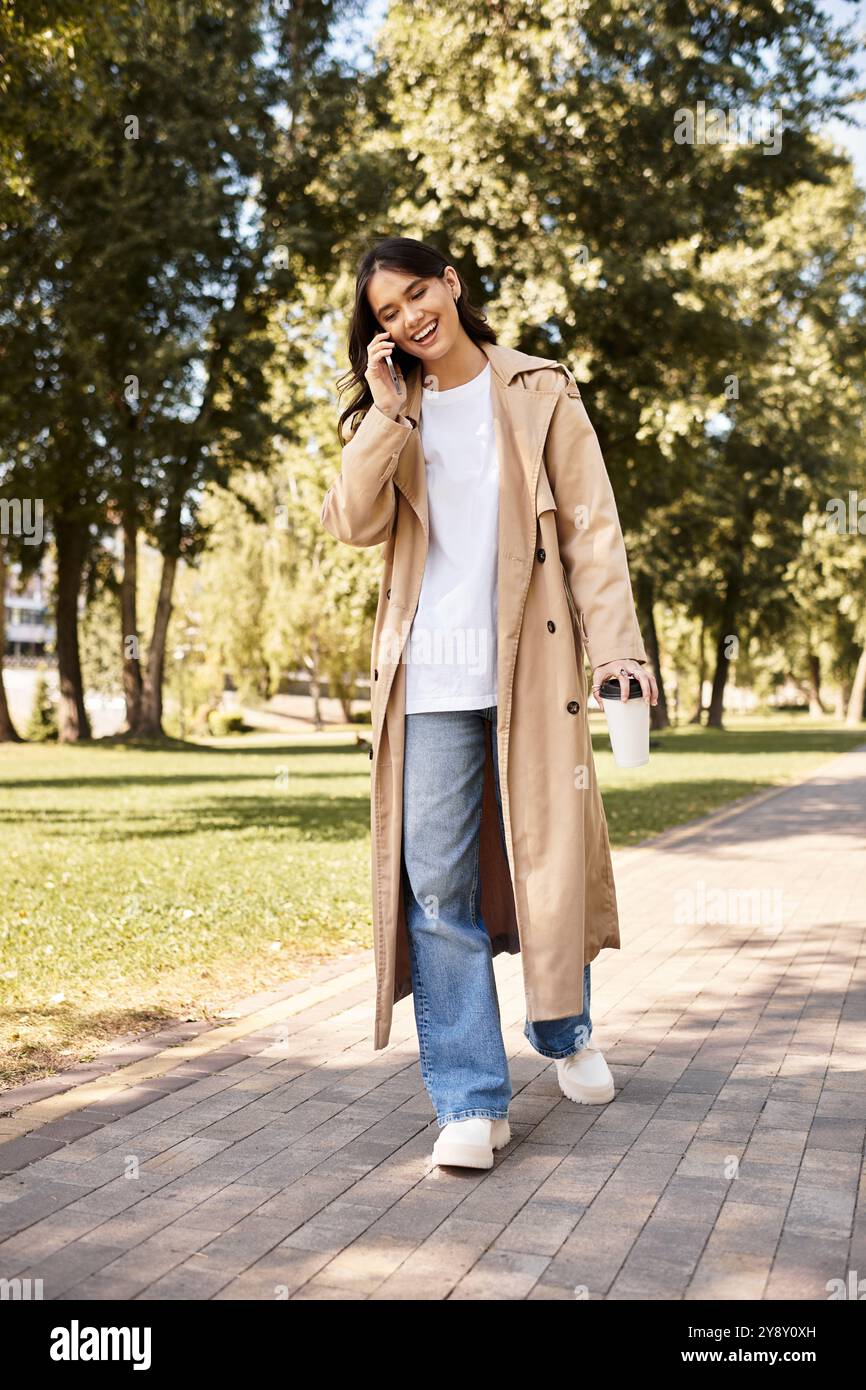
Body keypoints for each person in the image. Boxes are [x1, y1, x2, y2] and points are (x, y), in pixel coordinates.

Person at [323, 236, 657, 1171]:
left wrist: (619, 648)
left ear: (453, 285)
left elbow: (594, 529)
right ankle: (471, 1099)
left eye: (417, 294)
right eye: (387, 313)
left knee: (547, 860)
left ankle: (564, 1033)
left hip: (533, 666)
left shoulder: (538, 388)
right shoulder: (398, 412)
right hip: (427, 680)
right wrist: (386, 418)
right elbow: (351, 525)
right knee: (436, 887)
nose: (409, 319)